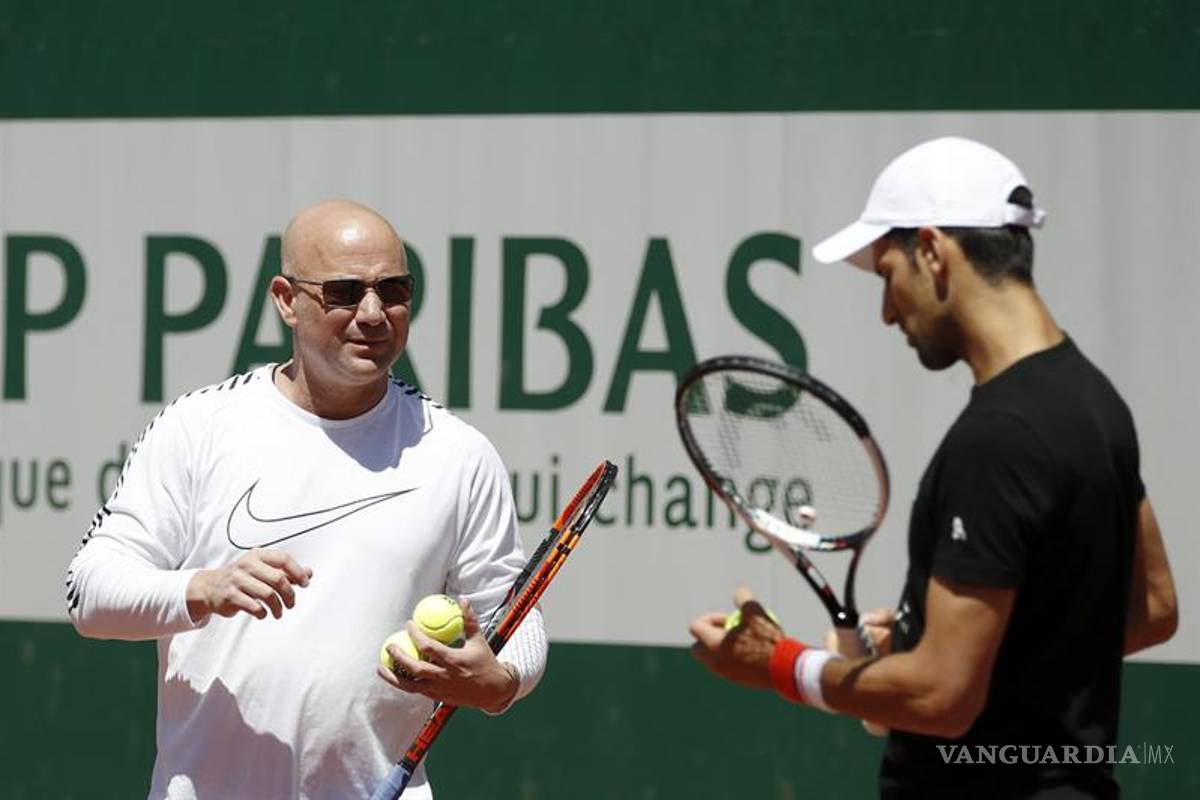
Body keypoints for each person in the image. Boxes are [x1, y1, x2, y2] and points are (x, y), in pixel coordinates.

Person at [689, 137, 1177, 798]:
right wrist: (942, 650)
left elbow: (943, 699)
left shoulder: (997, 440)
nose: (888, 311)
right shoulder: (1098, 403)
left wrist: (775, 661)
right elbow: (1151, 607)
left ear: (932, 252)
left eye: (888, 276)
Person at [66, 199, 547, 799]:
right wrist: (201, 588)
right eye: (344, 292)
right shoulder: (198, 426)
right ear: (286, 300)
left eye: (393, 290)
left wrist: (500, 682)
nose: (373, 313)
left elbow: (516, 619)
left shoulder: (460, 454)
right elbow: (89, 592)